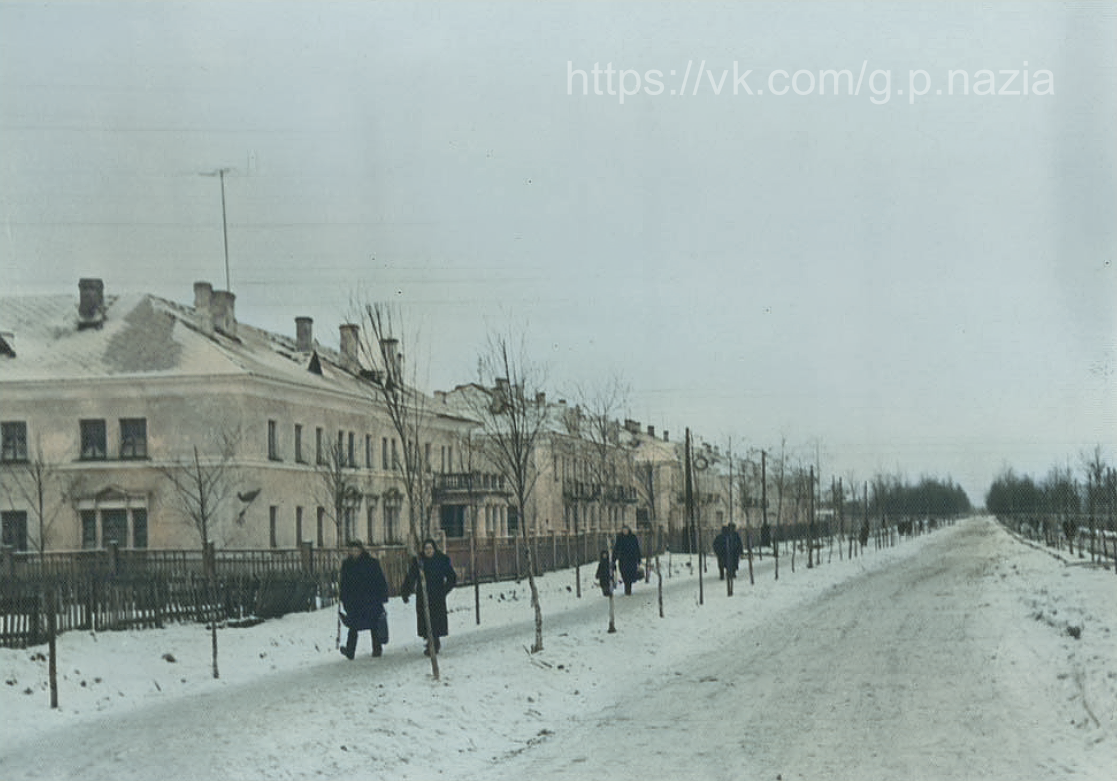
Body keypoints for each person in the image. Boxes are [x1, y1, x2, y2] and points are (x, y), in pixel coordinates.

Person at [400, 538, 457, 655]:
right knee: (425, 621)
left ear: (434, 549)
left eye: (430, 548)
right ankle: (429, 641)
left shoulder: (441, 560)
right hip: (423, 596)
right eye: (426, 549)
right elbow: (411, 577)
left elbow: (452, 577)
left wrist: (444, 590)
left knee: (435, 621)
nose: (428, 551)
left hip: (437, 596)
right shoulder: (419, 561)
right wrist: (405, 592)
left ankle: (434, 644)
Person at [338, 540, 389, 660]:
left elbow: (380, 580)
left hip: (370, 599)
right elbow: (344, 583)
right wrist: (343, 597)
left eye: (356, 550)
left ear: (361, 550)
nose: (354, 553)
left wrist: (383, 596)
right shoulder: (347, 565)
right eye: (352, 550)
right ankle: (350, 651)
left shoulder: (371, 563)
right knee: (353, 626)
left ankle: (377, 649)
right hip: (354, 601)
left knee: (374, 624)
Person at [612, 525, 642, 596]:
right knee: (624, 573)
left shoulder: (633, 538)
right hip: (623, 560)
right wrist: (614, 558)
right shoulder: (620, 538)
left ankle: (628, 589)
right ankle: (627, 586)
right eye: (624, 530)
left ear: (628, 530)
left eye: (626, 530)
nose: (625, 531)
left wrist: (638, 559)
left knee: (630, 574)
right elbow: (616, 548)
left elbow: (636, 548)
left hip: (631, 559)